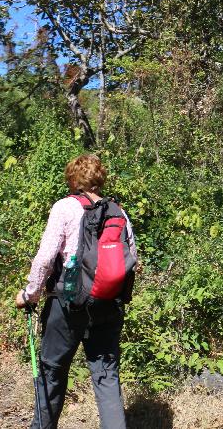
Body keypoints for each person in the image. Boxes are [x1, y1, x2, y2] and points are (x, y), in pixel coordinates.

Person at [15, 153, 137, 429]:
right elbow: (132, 259)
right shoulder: (118, 212)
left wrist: (29, 294)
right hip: (108, 305)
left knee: (52, 372)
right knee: (107, 377)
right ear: (100, 178)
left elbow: (45, 258)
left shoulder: (64, 208)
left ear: (72, 178)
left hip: (67, 305)